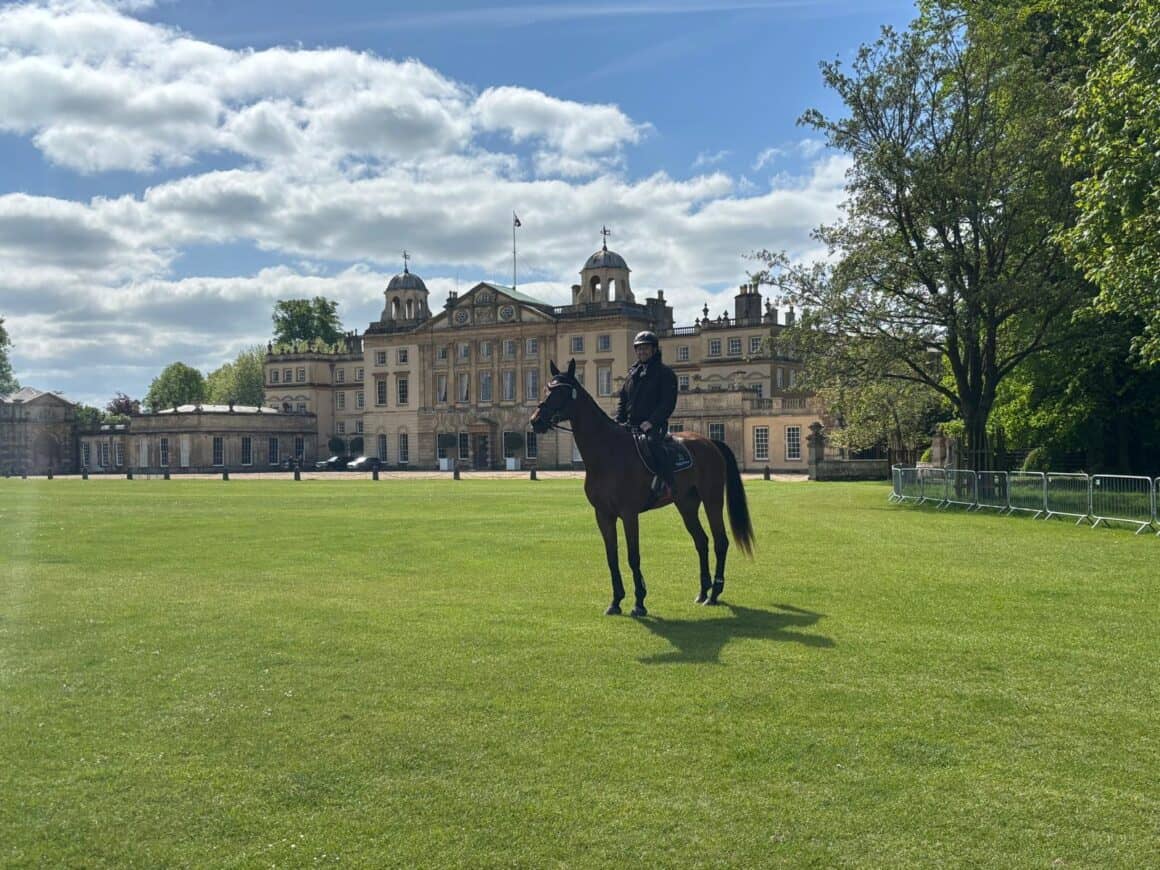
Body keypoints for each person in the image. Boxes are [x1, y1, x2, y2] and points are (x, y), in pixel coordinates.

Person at [616, 330, 679, 495]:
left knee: (652, 444)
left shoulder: (665, 373)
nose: (642, 351)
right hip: (631, 425)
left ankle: (667, 483)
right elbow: (623, 400)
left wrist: (651, 421)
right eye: (639, 348)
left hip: (653, 425)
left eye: (645, 348)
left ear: (654, 350)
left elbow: (667, 403)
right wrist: (618, 421)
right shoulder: (632, 375)